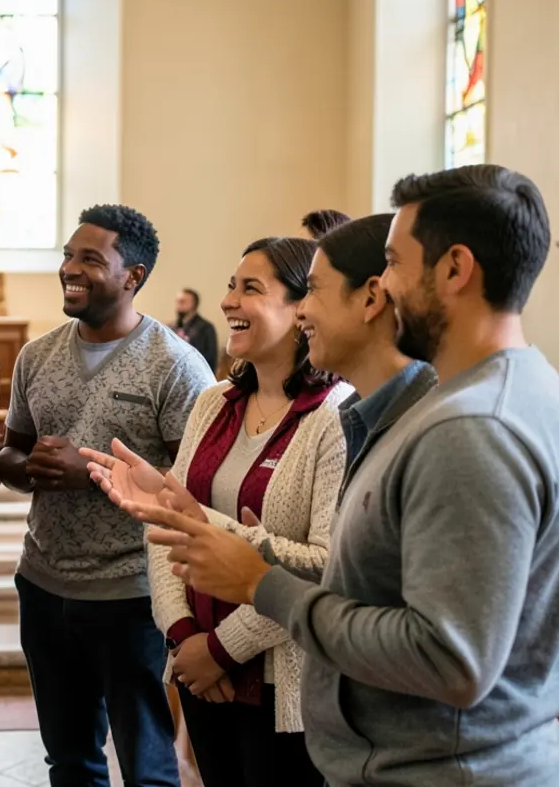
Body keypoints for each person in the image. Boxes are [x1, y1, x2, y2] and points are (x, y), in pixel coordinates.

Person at [141, 165, 559, 786]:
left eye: (396, 266)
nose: (383, 288)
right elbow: (377, 582)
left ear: (455, 269)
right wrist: (246, 544)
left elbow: (448, 657)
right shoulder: (494, 390)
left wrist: (261, 581)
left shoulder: (471, 429)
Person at [84, 237, 350, 787]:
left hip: (286, 681)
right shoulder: (215, 401)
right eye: (231, 285)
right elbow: (169, 526)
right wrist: (183, 638)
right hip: (199, 670)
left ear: (302, 307)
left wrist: (223, 650)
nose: (228, 301)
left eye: (250, 288)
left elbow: (328, 567)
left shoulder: (334, 417)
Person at [0, 204, 213, 787]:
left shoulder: (175, 366)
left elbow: (195, 490)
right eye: (69, 254)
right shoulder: (38, 355)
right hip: (44, 583)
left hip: (133, 593)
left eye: (90, 259)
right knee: (69, 759)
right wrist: (29, 465)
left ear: (133, 277)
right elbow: (11, 456)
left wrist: (91, 473)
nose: (70, 267)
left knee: (146, 764)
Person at [297, 214, 437, 469]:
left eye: (313, 289)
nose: (300, 311)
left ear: (371, 299)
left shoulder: (435, 433)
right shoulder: (364, 416)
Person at [171, 287, 218, 371]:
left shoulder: (206, 328)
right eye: (177, 301)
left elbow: (210, 358)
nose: (179, 304)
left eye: (182, 301)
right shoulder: (173, 328)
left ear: (194, 304)